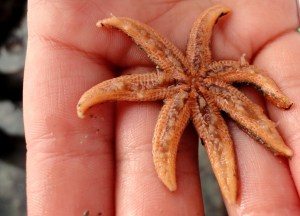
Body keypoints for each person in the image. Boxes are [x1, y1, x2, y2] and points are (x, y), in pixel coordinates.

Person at [24, 0, 300, 215]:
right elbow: (121, 82)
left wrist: (276, 95)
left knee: (234, 139)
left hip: (209, 85)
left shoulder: (207, 64)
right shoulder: (176, 68)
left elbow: (254, 74)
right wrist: (120, 24)